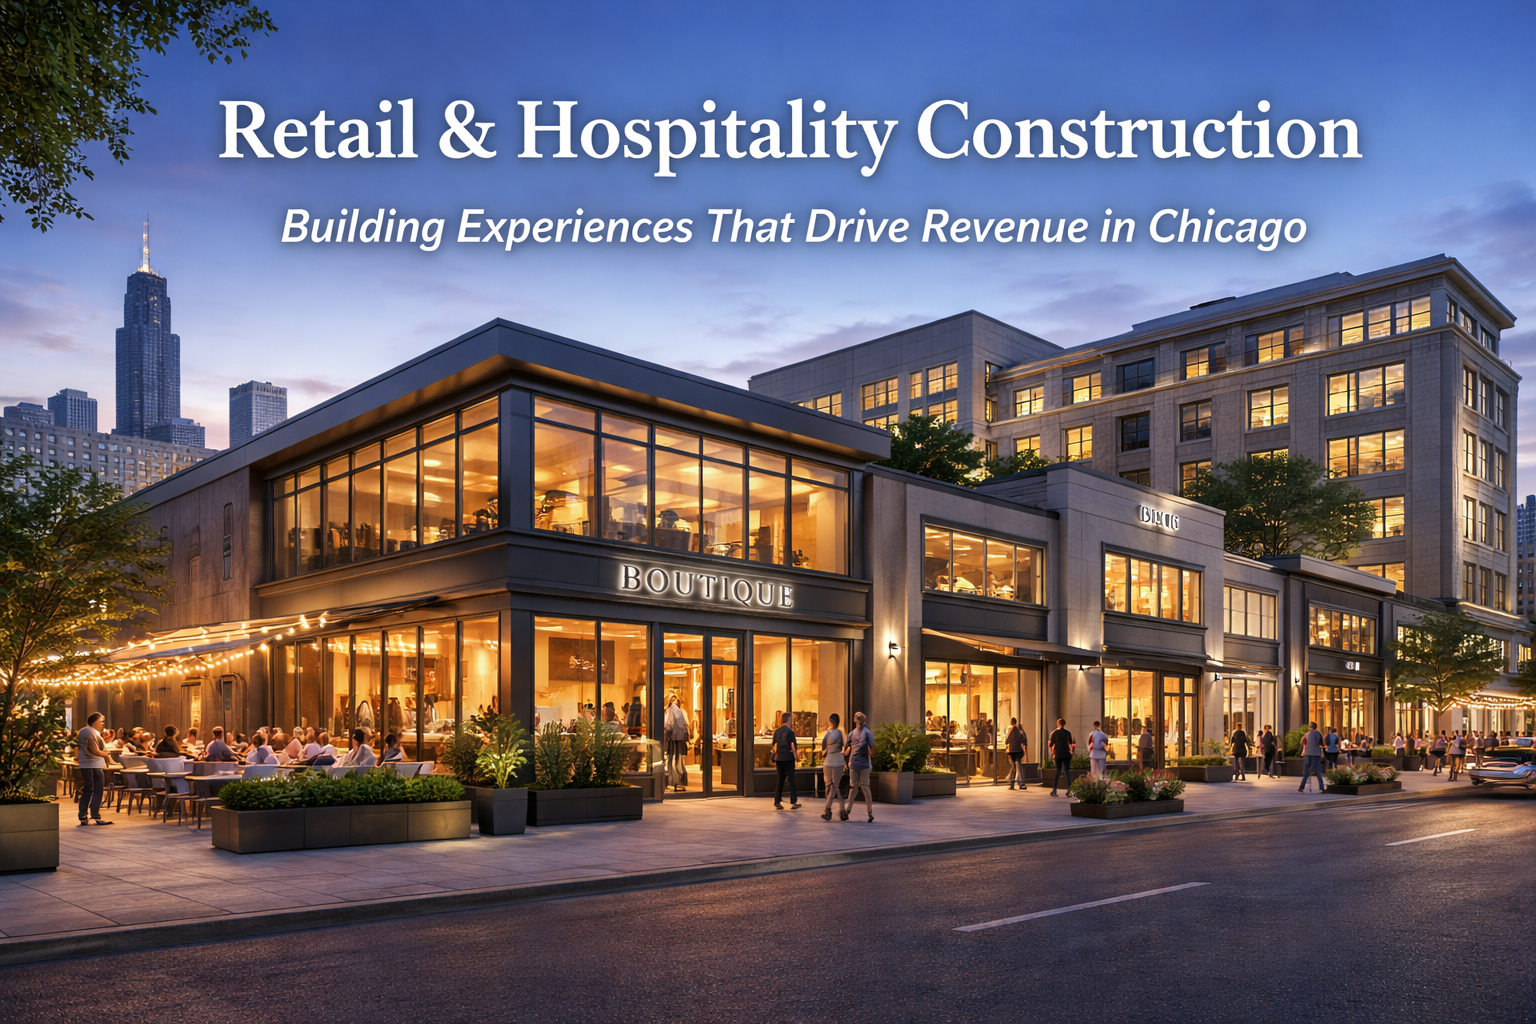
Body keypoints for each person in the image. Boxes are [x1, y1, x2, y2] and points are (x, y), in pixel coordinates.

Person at [75, 712, 113, 826]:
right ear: (95, 721)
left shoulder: (86, 731)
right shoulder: (89, 731)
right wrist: (106, 755)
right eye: (101, 721)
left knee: (89, 789)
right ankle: (94, 815)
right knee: (96, 790)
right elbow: (94, 750)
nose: (102, 724)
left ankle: (84, 815)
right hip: (93, 764)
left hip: (89, 764)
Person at [845, 712, 874, 823]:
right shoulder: (868, 733)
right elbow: (872, 751)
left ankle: (848, 810)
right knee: (865, 787)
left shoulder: (851, 734)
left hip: (854, 763)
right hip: (864, 764)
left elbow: (846, 749)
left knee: (854, 787)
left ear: (854, 720)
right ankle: (869, 812)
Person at [771, 712, 800, 810]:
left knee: (780, 780)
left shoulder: (776, 731)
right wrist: (796, 758)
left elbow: (774, 746)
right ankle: (793, 801)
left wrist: (775, 755)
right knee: (791, 780)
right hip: (788, 758)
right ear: (788, 719)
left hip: (779, 758)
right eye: (791, 719)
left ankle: (777, 801)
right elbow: (793, 746)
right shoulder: (790, 732)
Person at [820, 713, 846, 821]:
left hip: (828, 762)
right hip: (838, 762)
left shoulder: (827, 733)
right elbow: (844, 746)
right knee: (837, 787)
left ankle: (828, 810)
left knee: (829, 786)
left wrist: (828, 749)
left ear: (830, 722)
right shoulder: (840, 732)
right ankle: (842, 811)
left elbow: (823, 749)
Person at [664, 693, 690, 792]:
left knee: (675, 760)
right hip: (674, 738)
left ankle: (674, 780)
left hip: (674, 738)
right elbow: (685, 724)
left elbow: (667, 725)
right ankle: (674, 780)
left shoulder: (671, 712)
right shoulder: (677, 712)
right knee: (675, 759)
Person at [1047, 719, 1074, 797]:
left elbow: (1051, 744)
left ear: (1058, 723)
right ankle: (1069, 790)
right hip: (1066, 753)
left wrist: (1052, 750)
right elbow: (1071, 743)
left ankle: (1054, 790)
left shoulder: (1055, 733)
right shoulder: (1068, 732)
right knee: (1066, 771)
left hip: (1058, 753)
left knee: (1058, 771)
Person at [1298, 722, 1325, 793]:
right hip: (1316, 753)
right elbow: (1321, 744)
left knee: (1306, 771)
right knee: (1318, 771)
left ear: (1309, 727)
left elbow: (1303, 743)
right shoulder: (1318, 734)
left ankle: (1302, 786)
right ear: (1316, 727)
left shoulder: (1306, 734)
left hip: (1308, 753)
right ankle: (1321, 787)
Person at [1004, 717, 1028, 791]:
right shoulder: (1019, 732)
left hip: (1012, 751)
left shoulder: (1011, 732)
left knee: (1013, 766)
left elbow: (1007, 741)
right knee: (1019, 767)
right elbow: (1024, 740)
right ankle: (1021, 783)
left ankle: (1012, 784)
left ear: (1011, 722)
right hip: (1019, 751)